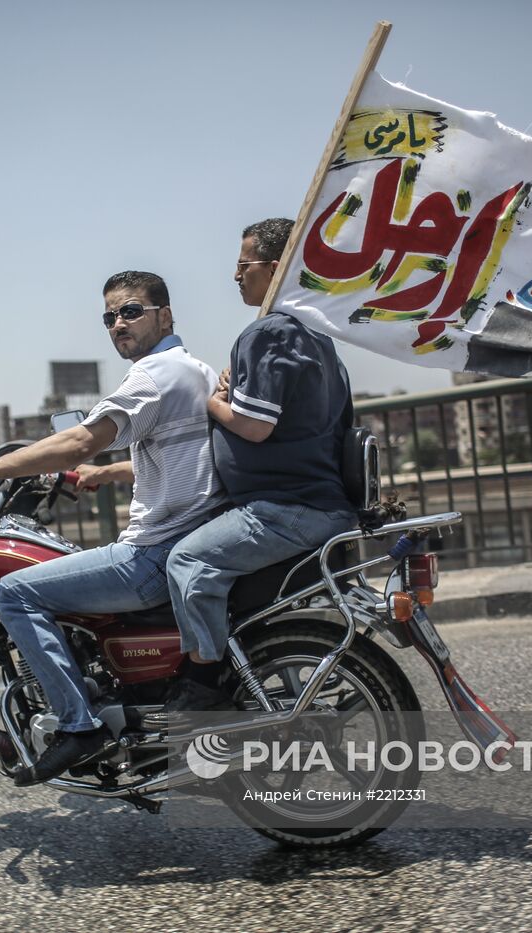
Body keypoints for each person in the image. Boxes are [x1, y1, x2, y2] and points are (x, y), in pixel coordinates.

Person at [0, 270, 223, 783]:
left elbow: (81, 439)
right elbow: (183, 456)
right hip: (189, 535)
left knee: (14, 592)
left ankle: (79, 727)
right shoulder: (197, 371)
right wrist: (111, 472)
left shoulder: (152, 375)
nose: (118, 323)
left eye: (131, 311)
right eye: (109, 317)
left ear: (165, 315)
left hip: (154, 553)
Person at [146, 218, 358, 727]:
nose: (235, 277)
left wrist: (212, 402)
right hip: (311, 503)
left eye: (243, 266)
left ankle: (201, 682)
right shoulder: (316, 337)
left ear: (276, 267)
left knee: (187, 562)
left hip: (286, 508)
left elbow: (255, 427)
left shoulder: (267, 331)